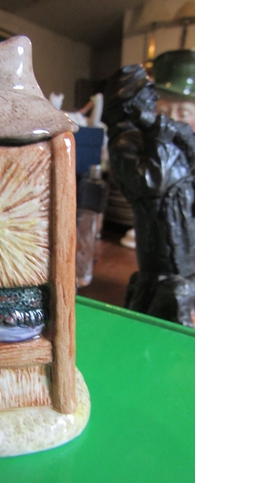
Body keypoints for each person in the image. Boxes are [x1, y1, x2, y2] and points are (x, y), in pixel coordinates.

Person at [101, 64, 195, 327]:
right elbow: (153, 181)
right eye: (147, 97)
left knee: (181, 280)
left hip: (181, 225)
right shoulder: (126, 142)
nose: (153, 102)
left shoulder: (150, 134)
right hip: (159, 232)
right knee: (163, 283)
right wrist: (160, 139)